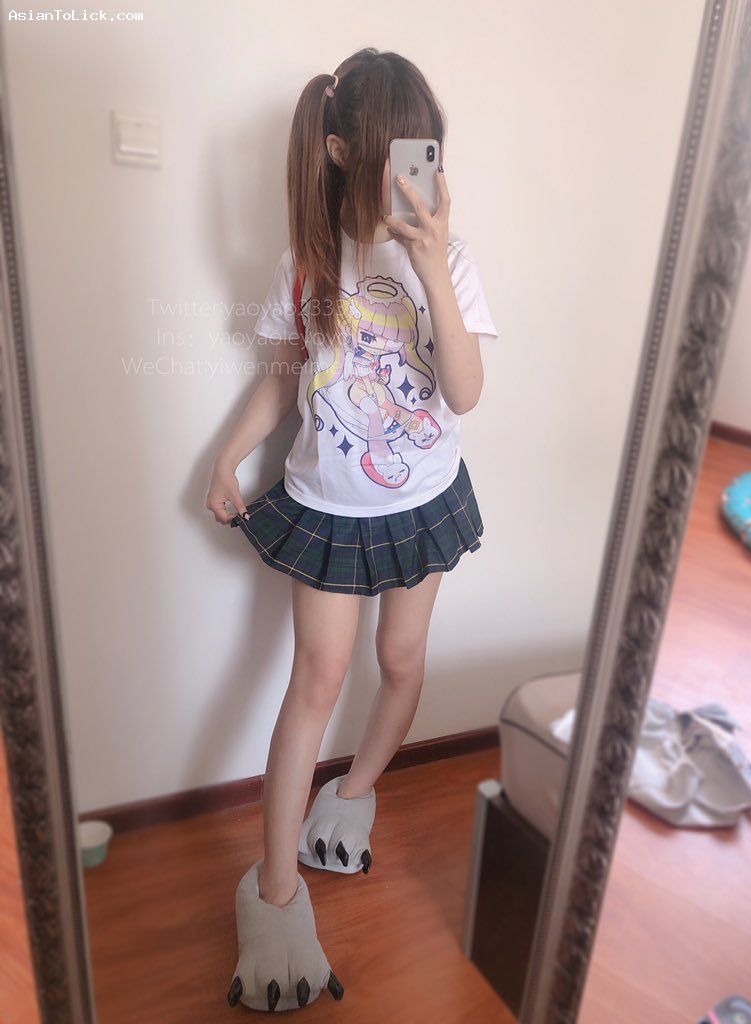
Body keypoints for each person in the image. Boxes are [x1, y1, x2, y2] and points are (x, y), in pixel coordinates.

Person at [206, 47, 497, 1013]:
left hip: (424, 497)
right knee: (316, 683)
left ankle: (357, 793)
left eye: (428, 148)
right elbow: (283, 378)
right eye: (397, 149)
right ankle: (274, 893)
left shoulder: (450, 259)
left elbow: (465, 392)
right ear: (340, 150)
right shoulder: (308, 260)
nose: (417, 170)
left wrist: (432, 267)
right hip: (330, 509)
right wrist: (227, 458)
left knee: (402, 661)